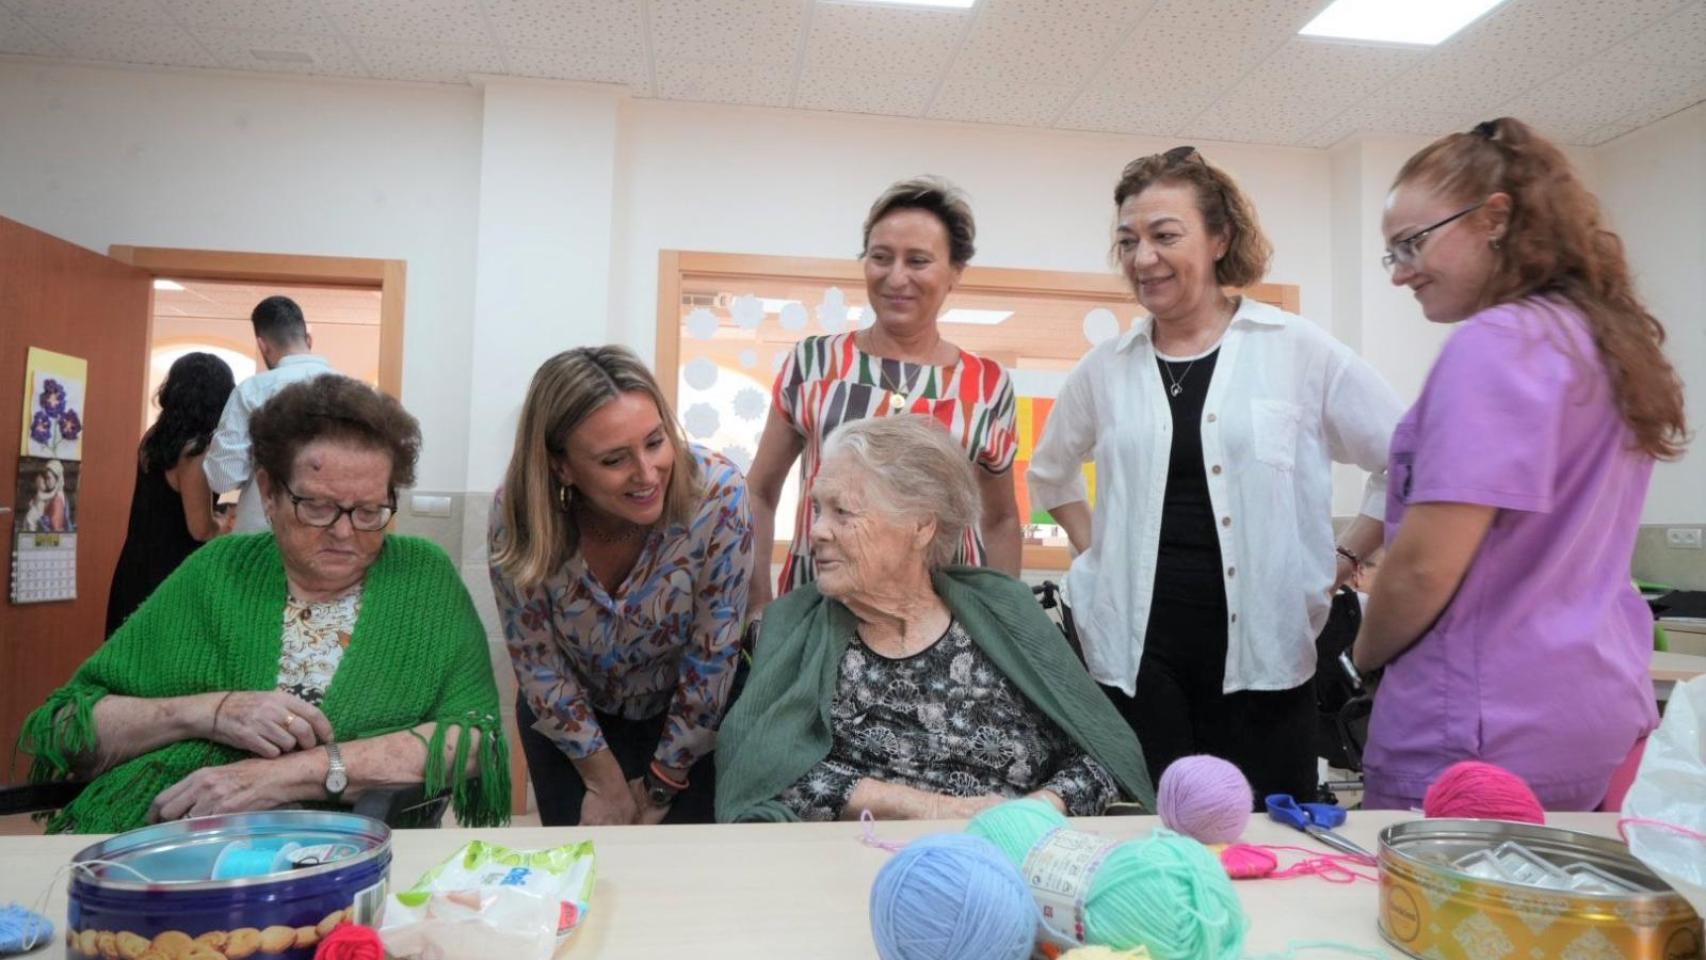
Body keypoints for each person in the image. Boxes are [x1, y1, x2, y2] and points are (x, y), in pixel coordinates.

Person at [1027, 147, 1402, 802]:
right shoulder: (1105, 369)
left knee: (1267, 839)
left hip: (1266, 657)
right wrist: (1103, 559)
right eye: (1128, 241)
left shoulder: (1295, 350)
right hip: (1135, 662)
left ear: (1221, 237)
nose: (1143, 257)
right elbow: (1051, 475)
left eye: (1165, 236)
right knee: (1150, 838)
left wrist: (1346, 557)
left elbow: (1407, 460)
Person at [1353, 118, 1689, 811]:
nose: (1402, 274)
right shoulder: (1602, 344)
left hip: (1483, 730)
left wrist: (1359, 655)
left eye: (1413, 244)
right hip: (1593, 712)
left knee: (1438, 918)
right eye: (1392, 255)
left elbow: (1422, 568)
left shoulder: (1497, 344)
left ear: (1494, 219)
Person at [21, 376, 509, 833]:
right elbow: (70, 728)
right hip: (168, 833)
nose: (344, 531)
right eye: (317, 506)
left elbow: (472, 739)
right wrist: (213, 712)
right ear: (270, 492)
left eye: (368, 511)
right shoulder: (218, 570)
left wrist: (294, 775)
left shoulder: (422, 578)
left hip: (339, 844)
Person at [718, 415, 1151, 823]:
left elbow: (1103, 757)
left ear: (921, 526)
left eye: (842, 512)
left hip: (1016, 854)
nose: (817, 530)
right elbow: (759, 769)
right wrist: (926, 808)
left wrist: (1037, 810)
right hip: (859, 863)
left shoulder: (1005, 613)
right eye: (817, 510)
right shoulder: (795, 626)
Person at [488, 347, 751, 827]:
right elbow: (536, 660)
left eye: (655, 442)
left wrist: (662, 781)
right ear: (561, 467)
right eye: (614, 459)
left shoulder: (717, 492)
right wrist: (603, 781)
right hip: (571, 723)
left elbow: (714, 651)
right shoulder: (519, 513)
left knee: (683, 878)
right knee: (582, 870)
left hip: (690, 719)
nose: (648, 474)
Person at [746, 176, 1022, 617]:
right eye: (880, 257)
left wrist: (1008, 620)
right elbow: (759, 491)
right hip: (819, 609)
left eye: (918, 260)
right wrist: (757, 602)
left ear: (954, 273)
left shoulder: (987, 385)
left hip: (946, 621)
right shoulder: (814, 363)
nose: (896, 277)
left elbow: (1001, 519)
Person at [106, 352, 236, 637]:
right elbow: (200, 529)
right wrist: (227, 526)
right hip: (172, 576)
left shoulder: (154, 436)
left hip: (136, 564)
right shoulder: (195, 451)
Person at [205, 295, 336, 532]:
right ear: (308, 339)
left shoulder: (251, 392)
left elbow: (223, 479)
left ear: (262, 345)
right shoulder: (353, 390)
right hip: (330, 528)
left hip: (264, 532)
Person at [21, 459, 71, 533]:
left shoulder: (57, 499)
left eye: (49, 478)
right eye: (46, 478)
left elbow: (55, 527)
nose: (47, 482)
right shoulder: (51, 495)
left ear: (57, 479)